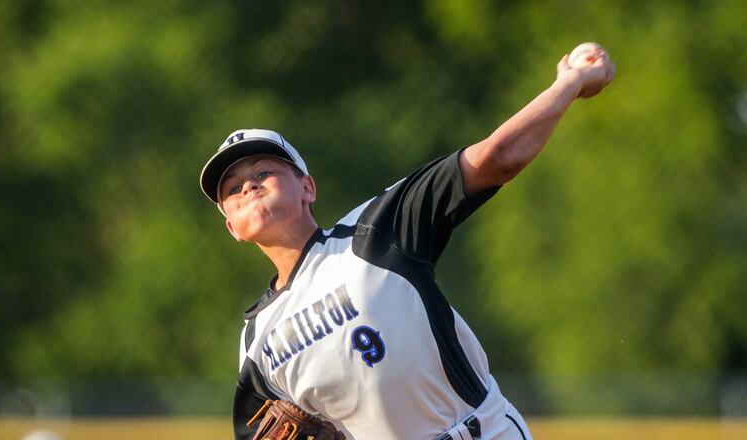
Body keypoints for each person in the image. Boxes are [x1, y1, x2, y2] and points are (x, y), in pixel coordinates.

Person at [199, 47, 615, 440]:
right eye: (232, 189)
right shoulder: (258, 345)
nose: (249, 185)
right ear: (232, 228)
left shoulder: (376, 229)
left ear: (307, 187)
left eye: (264, 171)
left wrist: (571, 82)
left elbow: (497, 157)